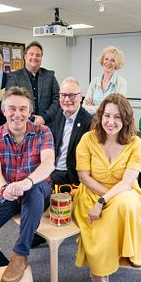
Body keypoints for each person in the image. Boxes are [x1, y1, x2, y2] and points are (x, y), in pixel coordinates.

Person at [0, 87, 55, 282]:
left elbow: (48, 163)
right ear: (4, 110)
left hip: (37, 187)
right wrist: (5, 187)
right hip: (8, 190)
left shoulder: (43, 132)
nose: (18, 114)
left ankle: (20, 254)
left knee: (33, 190)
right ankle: (6, 266)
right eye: (12, 109)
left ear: (30, 112)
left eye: (23, 109)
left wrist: (27, 182)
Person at [72, 93, 141, 282]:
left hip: (123, 192)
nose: (111, 122)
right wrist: (101, 198)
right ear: (100, 116)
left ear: (126, 119)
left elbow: (127, 182)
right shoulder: (87, 139)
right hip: (90, 191)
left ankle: (100, 268)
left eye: (117, 117)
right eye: (107, 116)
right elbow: (84, 176)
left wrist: (104, 200)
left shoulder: (136, 143)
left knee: (123, 203)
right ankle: (101, 269)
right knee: (113, 209)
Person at [31, 77, 93, 249]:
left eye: (72, 95)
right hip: (54, 167)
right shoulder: (58, 114)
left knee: (38, 189)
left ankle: (35, 233)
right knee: (31, 183)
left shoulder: (88, 122)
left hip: (73, 173)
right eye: (63, 95)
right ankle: (36, 229)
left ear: (80, 96)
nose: (67, 99)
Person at [6, 41, 60, 125]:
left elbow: (57, 98)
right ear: (25, 56)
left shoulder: (50, 76)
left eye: (38, 55)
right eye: (31, 54)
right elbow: (9, 102)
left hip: (47, 125)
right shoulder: (15, 77)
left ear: (41, 58)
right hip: (23, 126)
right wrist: (30, 119)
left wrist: (45, 117)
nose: (34, 57)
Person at [84, 46, 127, 114]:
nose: (108, 62)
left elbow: (119, 107)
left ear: (117, 64)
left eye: (113, 60)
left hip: (110, 122)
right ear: (102, 60)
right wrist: (106, 109)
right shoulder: (94, 82)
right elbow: (85, 107)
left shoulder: (121, 82)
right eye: (106, 59)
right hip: (93, 122)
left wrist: (93, 107)